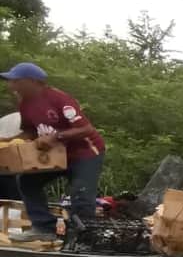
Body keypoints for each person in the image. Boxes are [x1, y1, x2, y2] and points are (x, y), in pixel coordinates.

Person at [2, 62, 105, 241]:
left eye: (15, 81)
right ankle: (43, 228)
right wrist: (8, 141)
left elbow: (86, 129)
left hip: (85, 153)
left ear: (33, 81)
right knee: (27, 181)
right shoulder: (25, 104)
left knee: (80, 193)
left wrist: (56, 137)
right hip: (56, 155)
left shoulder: (59, 99)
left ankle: (83, 239)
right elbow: (30, 131)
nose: (11, 85)